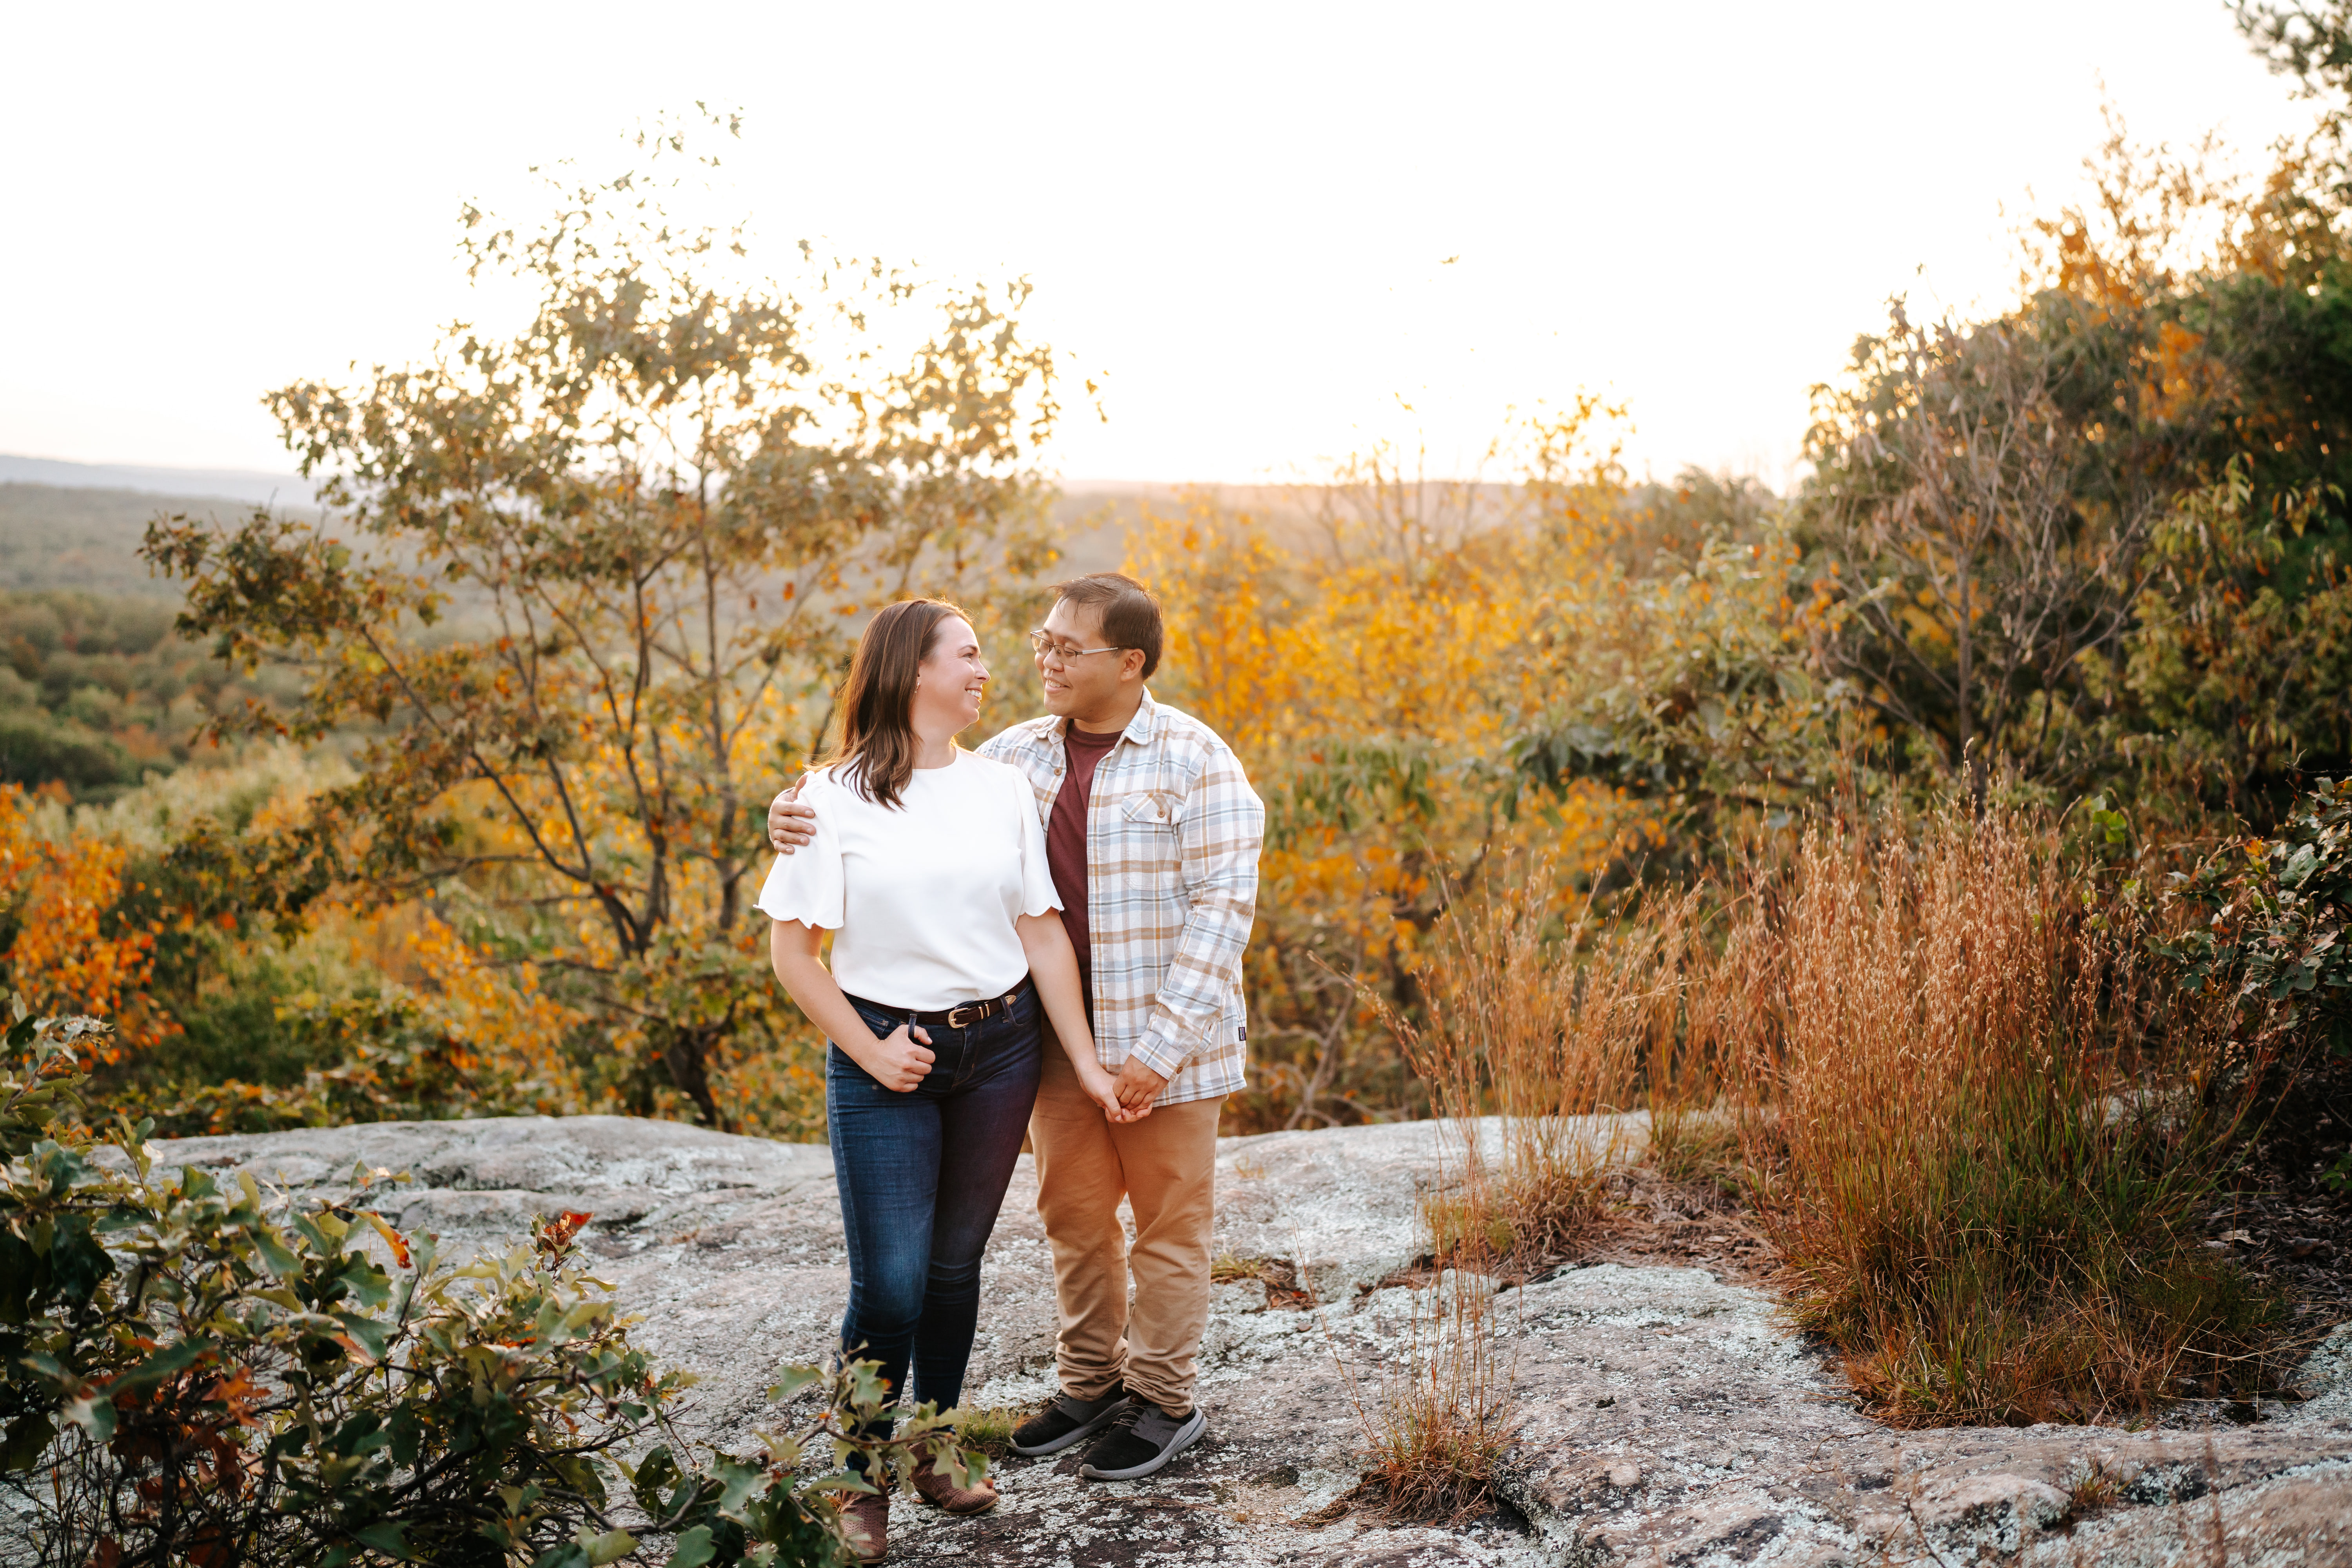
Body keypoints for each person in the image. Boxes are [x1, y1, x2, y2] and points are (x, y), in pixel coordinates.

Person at [769, 572, 1265, 1485]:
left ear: (1129, 662)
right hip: (1046, 1047)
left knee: (1166, 1226)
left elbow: (1222, 915)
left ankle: (1162, 1400)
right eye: (1040, 641)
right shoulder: (1019, 755)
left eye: (1064, 648)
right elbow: (904, 783)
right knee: (1073, 1218)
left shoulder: (1198, 760)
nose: (1041, 660)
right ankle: (1088, 1385)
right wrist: (792, 813)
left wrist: (1152, 1056)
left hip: (1165, 1045)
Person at [758, 597, 1127, 1563]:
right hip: (883, 1050)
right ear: (913, 669)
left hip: (998, 1047)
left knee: (954, 1267)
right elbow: (796, 955)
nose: (984, 670)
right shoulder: (827, 797)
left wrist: (1081, 1057)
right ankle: (860, 1477)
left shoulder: (1002, 787)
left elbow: (1041, 929)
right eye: (967, 655)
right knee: (888, 1285)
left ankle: (933, 1447)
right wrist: (872, 1051)